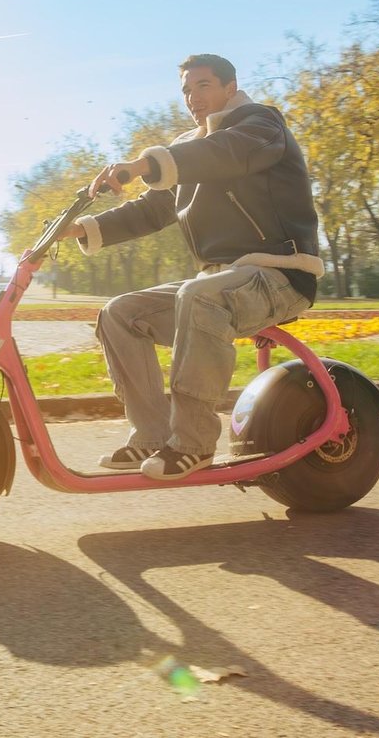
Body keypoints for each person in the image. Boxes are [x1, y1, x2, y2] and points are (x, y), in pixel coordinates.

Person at [62, 54, 323, 480]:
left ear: (230, 87)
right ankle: (150, 434)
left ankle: (194, 443)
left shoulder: (261, 125)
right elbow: (151, 210)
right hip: (222, 282)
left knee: (198, 295)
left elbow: (226, 152)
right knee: (119, 314)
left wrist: (144, 164)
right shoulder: (188, 149)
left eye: (202, 85)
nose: (192, 97)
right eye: (186, 90)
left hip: (280, 274)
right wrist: (79, 229)